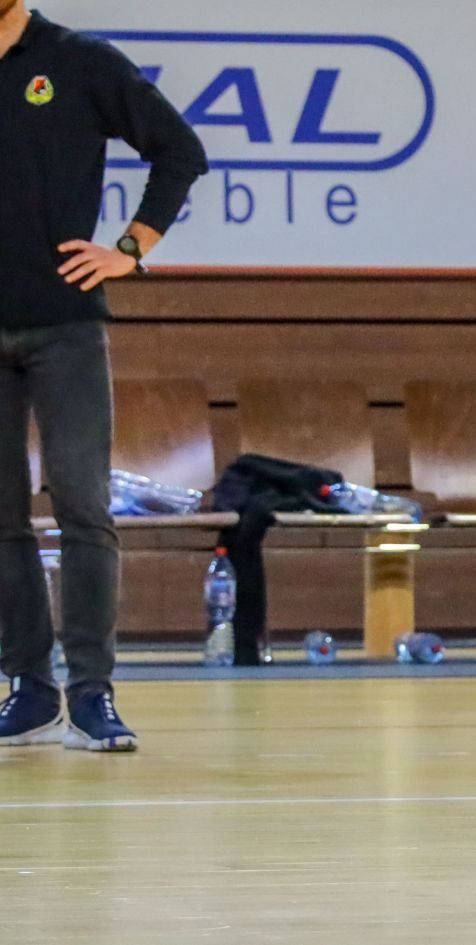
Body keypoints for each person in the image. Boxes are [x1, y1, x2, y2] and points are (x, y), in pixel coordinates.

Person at [0, 2, 208, 751]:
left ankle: (91, 691)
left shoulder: (78, 59)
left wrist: (128, 249)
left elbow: (180, 150)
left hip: (65, 325)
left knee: (83, 504)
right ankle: (29, 688)